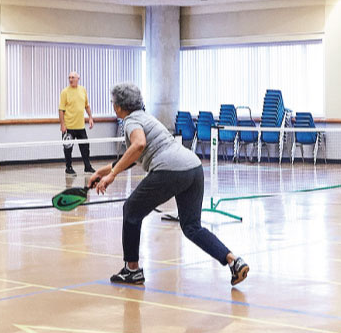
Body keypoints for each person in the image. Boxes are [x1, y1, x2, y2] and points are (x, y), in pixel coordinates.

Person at [92, 83, 250, 286]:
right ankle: (234, 261)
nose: (113, 106)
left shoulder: (131, 121)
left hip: (170, 170)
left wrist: (112, 175)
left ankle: (132, 270)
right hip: (193, 168)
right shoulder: (146, 118)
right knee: (192, 226)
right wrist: (102, 172)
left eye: (113, 102)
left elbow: (138, 145)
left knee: (131, 210)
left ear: (120, 106)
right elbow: (133, 157)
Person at [61, 71, 97, 175]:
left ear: (78, 79)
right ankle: (68, 167)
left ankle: (87, 166)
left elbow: (86, 105)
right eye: (69, 77)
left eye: (73, 77)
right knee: (68, 148)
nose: (71, 79)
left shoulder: (83, 90)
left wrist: (90, 117)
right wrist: (62, 124)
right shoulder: (65, 92)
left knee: (85, 146)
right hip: (69, 126)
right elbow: (61, 109)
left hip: (80, 126)